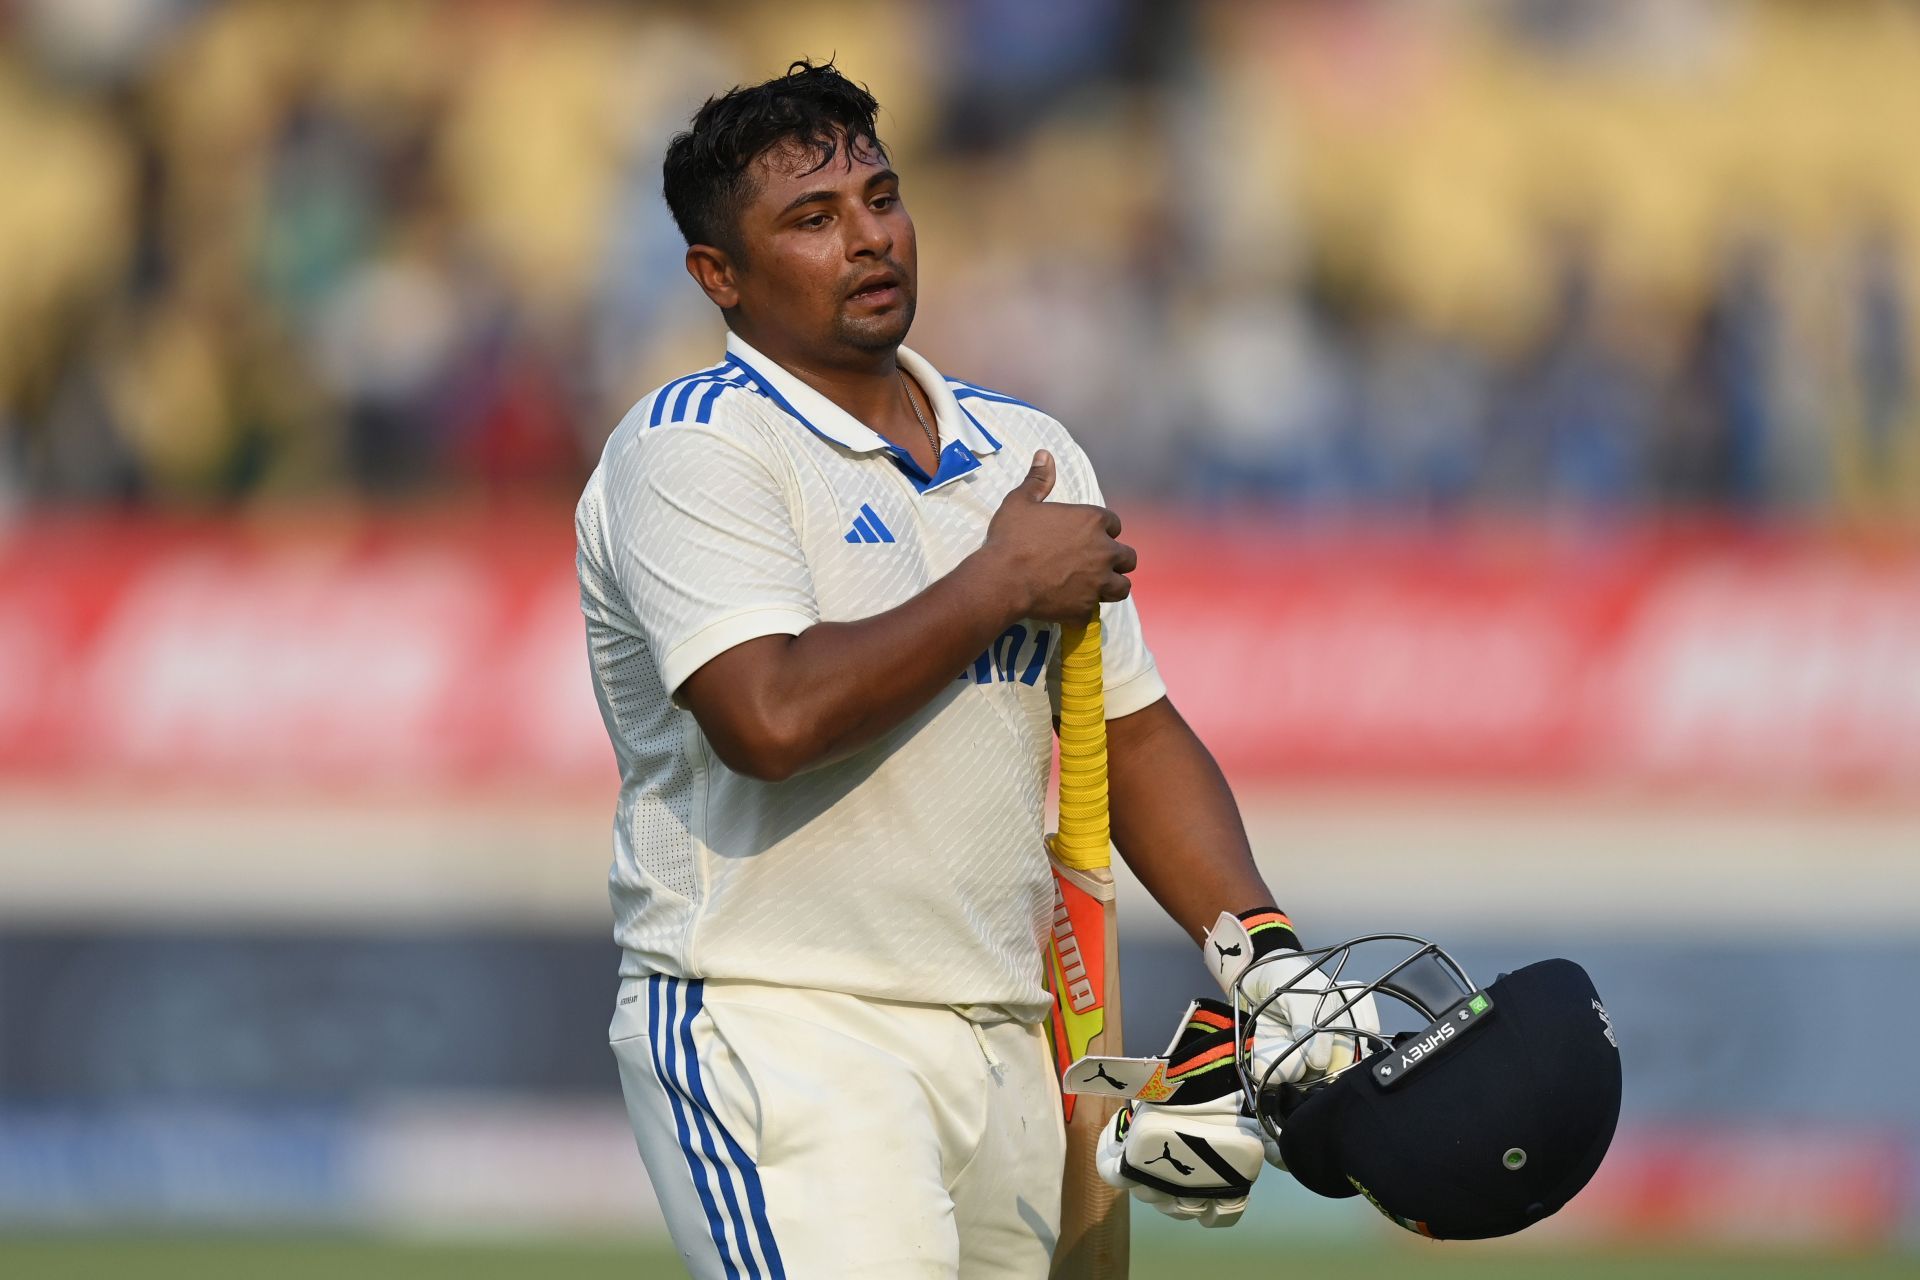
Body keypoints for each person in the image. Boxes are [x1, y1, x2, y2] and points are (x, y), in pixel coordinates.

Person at [576, 60, 1358, 1279]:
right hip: (779, 1018)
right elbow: (768, 714)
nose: (870, 238)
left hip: (1010, 1036)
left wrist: (1264, 957)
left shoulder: (1030, 452)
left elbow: (1134, 729)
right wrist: (996, 581)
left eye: (881, 197)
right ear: (716, 276)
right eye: (813, 220)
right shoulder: (691, 449)